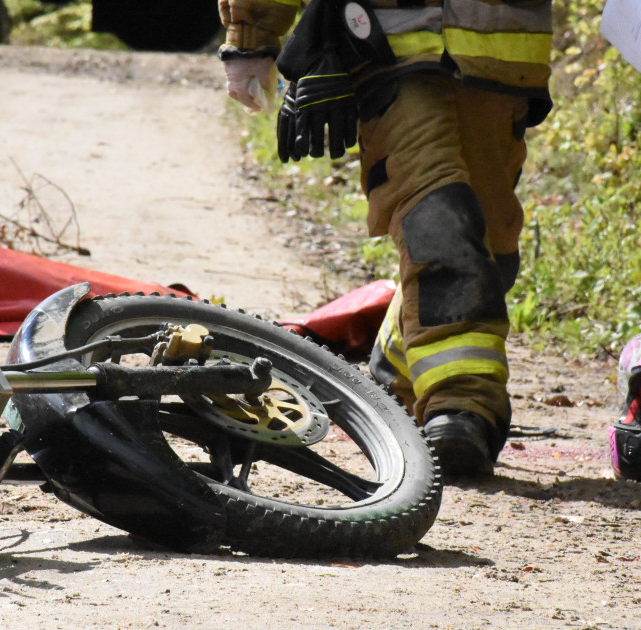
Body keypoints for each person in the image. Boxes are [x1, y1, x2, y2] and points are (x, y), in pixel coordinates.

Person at [219, 0, 553, 478]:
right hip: (383, 45)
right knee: (438, 221)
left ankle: (397, 362)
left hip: (503, 63)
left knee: (488, 249)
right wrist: (250, 36)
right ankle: (462, 405)